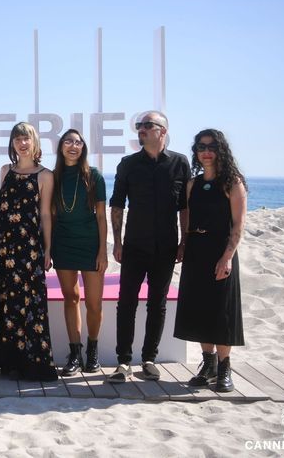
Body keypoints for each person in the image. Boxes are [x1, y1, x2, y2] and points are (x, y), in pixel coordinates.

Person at [108, 110, 190, 383]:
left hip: (166, 247)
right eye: (139, 126)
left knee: (158, 304)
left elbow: (185, 207)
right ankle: (123, 361)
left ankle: (149, 359)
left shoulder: (180, 163)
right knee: (126, 303)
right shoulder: (128, 164)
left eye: (147, 125)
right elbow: (117, 204)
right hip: (134, 245)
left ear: (162, 131)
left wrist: (184, 241)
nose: (141, 129)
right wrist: (117, 242)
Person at [0, 122, 57, 381]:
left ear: (35, 142)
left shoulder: (45, 175)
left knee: (26, 302)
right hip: (1, 245)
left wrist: (48, 249)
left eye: (26, 138)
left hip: (28, 248)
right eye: (18, 139)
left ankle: (26, 364)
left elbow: (45, 214)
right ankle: (3, 361)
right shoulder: (4, 171)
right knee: (1, 299)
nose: (22, 143)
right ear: (12, 143)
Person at [174, 129, 247, 392]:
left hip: (221, 251)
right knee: (199, 308)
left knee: (221, 311)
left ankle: (225, 368)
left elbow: (238, 225)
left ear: (220, 150)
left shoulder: (232, 182)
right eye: (201, 147)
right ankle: (208, 365)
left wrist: (227, 257)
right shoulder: (192, 184)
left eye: (211, 147)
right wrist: (183, 243)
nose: (206, 152)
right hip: (196, 250)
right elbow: (188, 219)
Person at [51, 129, 108, 376]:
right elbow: (50, 216)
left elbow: (102, 216)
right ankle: (75, 353)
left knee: (94, 303)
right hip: (63, 243)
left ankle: (92, 351)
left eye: (78, 142)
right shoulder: (53, 177)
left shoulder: (94, 176)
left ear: (83, 147)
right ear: (61, 147)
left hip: (90, 244)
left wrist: (103, 251)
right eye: (68, 141)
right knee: (70, 298)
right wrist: (48, 249)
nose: (73, 146)